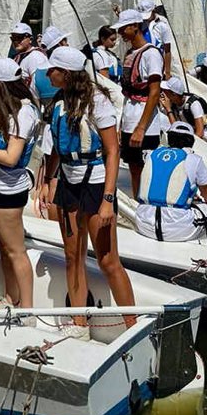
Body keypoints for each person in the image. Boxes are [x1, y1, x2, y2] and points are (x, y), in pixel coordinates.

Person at [40, 46, 135, 335]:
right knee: (72, 256)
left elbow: (112, 150)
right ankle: (79, 323)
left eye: (52, 70)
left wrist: (108, 199)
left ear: (66, 73)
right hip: (68, 182)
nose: (47, 74)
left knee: (108, 260)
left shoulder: (98, 102)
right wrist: (47, 181)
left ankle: (132, 323)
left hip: (95, 183)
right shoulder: (58, 102)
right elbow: (56, 149)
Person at [0, 57, 40, 309]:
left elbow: (11, 157)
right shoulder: (12, 110)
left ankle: (27, 308)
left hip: (9, 188)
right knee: (5, 248)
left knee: (15, 250)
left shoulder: (22, 113)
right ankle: (12, 298)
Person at [134, 122, 207, 251]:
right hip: (177, 228)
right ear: (191, 141)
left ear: (169, 138)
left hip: (143, 223)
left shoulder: (150, 155)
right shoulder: (194, 160)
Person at [114, 9, 165, 200]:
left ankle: (147, 203)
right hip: (130, 118)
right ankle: (137, 202)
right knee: (134, 167)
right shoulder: (130, 53)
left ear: (135, 26)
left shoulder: (151, 54)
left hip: (145, 124)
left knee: (145, 168)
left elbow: (154, 92)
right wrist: (122, 124)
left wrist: (141, 128)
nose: (120, 32)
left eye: (123, 28)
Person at [30, 26, 71, 103]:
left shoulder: (37, 74)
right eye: (65, 40)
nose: (68, 44)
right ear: (61, 44)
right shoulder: (76, 68)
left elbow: (35, 102)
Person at [139, 0, 175, 77]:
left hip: (157, 65)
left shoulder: (162, 26)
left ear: (154, 10)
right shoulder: (140, 24)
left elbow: (167, 50)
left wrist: (167, 72)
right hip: (142, 63)